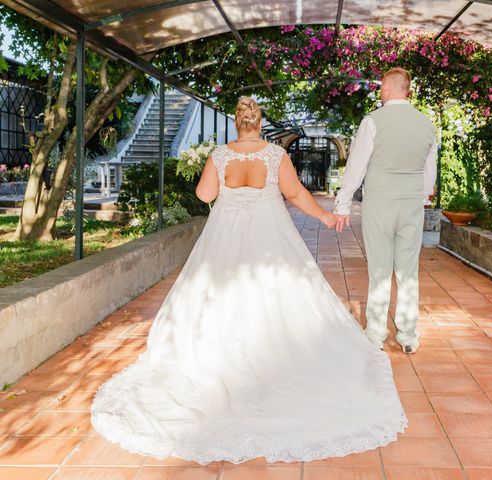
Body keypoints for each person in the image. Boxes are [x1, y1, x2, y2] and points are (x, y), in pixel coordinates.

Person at [90, 96, 407, 465]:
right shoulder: (274, 156)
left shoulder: (221, 156)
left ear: (237, 123)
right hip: (270, 241)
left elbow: (205, 194)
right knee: (276, 297)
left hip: (224, 240)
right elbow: (296, 193)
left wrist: (215, 173)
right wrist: (323, 216)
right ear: (258, 123)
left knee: (218, 298)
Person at [334, 67, 438, 354]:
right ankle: (407, 336)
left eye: (381, 87)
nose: (380, 91)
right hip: (411, 206)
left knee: (379, 268)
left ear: (389, 88)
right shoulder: (427, 125)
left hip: (379, 203)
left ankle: (376, 332)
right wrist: (423, 196)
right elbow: (429, 173)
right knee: (408, 271)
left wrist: (343, 204)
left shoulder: (372, 122)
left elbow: (357, 166)